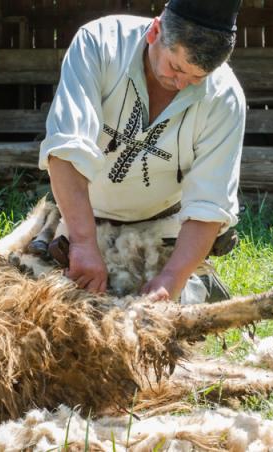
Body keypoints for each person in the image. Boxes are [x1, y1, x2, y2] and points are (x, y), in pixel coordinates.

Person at [38, 0, 245, 303]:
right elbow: (67, 149)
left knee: (160, 313)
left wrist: (172, 278)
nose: (181, 84)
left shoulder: (225, 96)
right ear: (155, 32)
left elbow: (209, 204)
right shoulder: (98, 44)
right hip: (82, 217)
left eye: (196, 78)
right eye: (176, 68)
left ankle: (197, 281)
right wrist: (82, 242)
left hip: (163, 228)